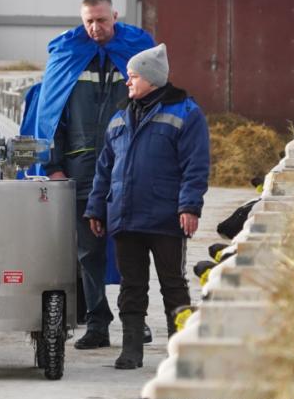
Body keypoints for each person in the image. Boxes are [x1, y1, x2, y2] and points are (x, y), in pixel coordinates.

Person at [20, 0, 155, 350]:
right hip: (80, 173)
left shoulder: (138, 53)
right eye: (89, 21)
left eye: (102, 20)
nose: (96, 27)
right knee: (87, 252)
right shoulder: (67, 56)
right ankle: (97, 322)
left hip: (128, 172)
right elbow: (50, 117)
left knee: (131, 251)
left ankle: (134, 321)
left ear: (116, 16)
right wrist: (53, 167)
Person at [84, 43, 210, 369]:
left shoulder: (186, 113)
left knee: (173, 284)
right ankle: (131, 350)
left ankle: (179, 351)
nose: (127, 82)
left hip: (167, 216)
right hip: (125, 217)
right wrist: (97, 208)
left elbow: (196, 166)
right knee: (132, 286)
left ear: (152, 79)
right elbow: (104, 168)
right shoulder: (119, 117)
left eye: (133, 76)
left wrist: (189, 207)